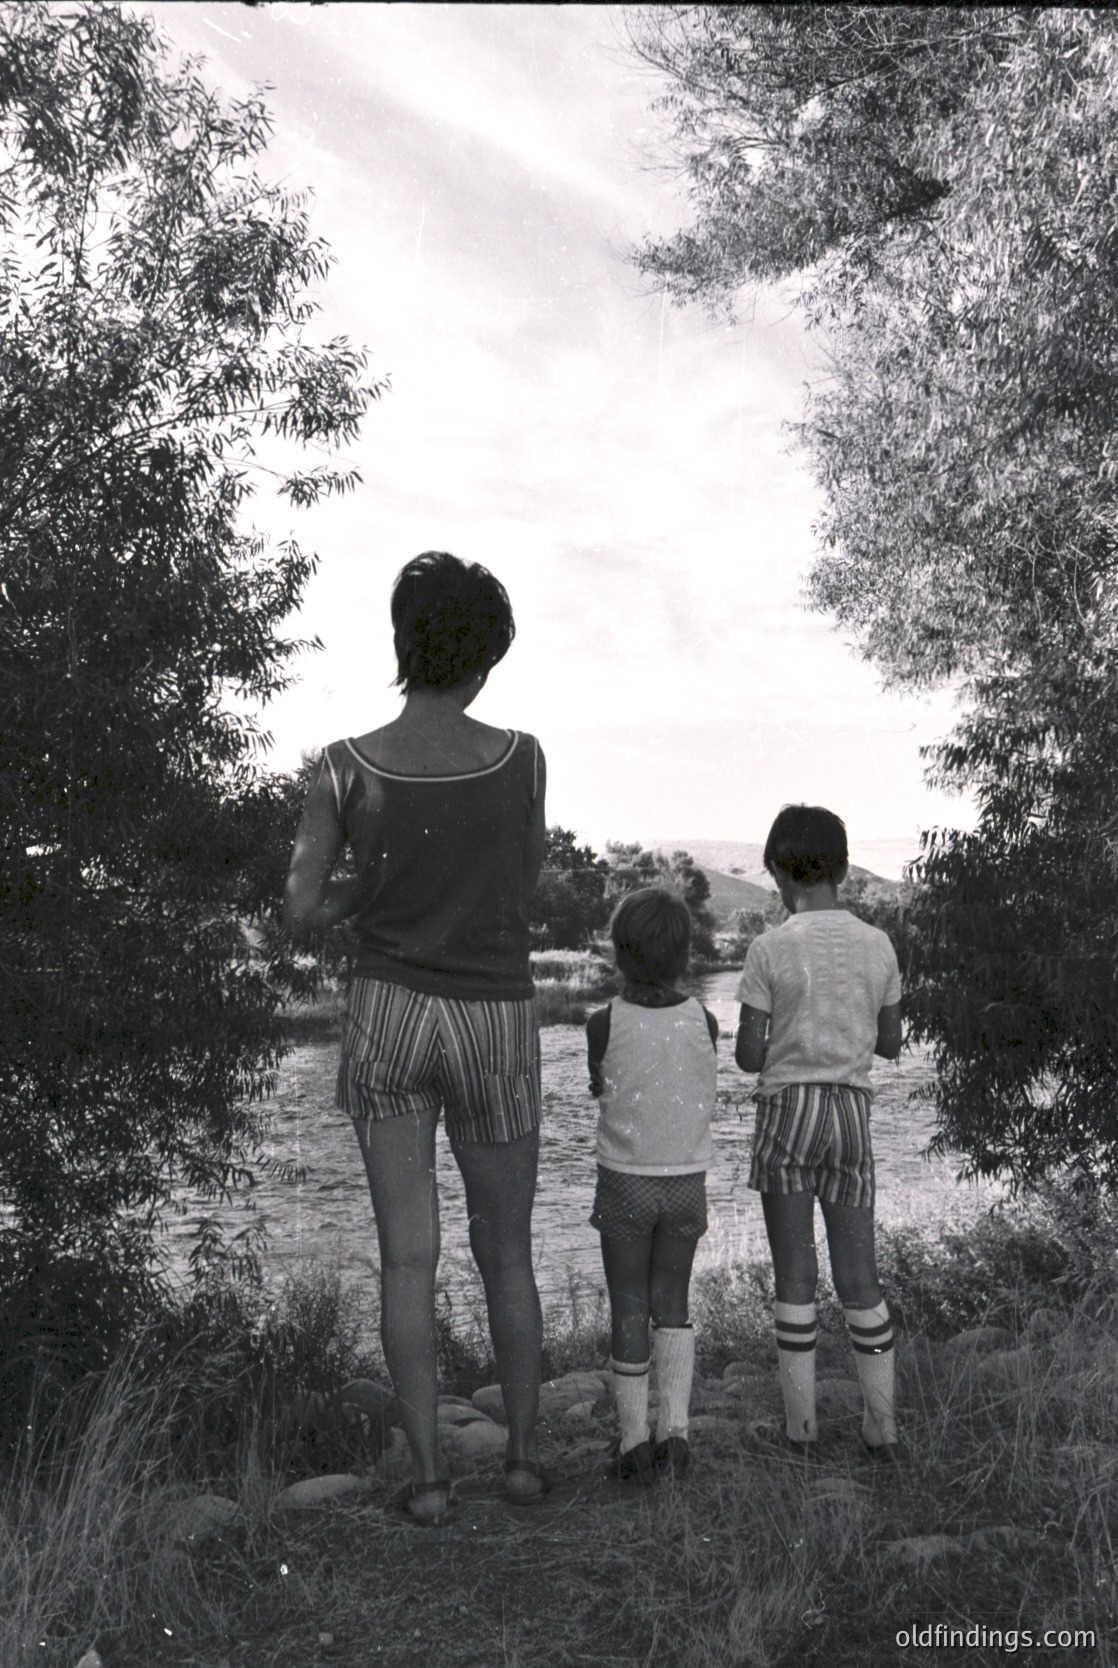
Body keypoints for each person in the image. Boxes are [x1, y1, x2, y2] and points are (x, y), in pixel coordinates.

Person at [283, 551, 548, 1524]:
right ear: (485, 657)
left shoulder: (342, 770)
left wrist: (373, 889)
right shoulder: (521, 758)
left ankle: (431, 1481)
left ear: (402, 645)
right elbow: (518, 889)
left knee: (406, 1259)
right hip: (492, 1015)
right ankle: (520, 1462)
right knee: (508, 1252)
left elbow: (303, 907)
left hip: (387, 1011)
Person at [735, 804, 903, 1463]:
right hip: (852, 1114)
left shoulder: (770, 947)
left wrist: (786, 1035)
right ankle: (882, 1429)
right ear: (841, 866)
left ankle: (801, 1433)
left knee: (795, 1274)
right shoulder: (878, 945)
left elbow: (751, 1057)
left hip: (788, 1113)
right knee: (860, 1276)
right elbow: (890, 1044)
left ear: (779, 870)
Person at [586, 887, 719, 1483]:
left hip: (626, 1183)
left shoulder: (601, 1023)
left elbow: (603, 1084)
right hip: (687, 1182)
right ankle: (678, 1434)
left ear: (619, 953)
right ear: (686, 956)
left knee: (629, 1308)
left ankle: (634, 1442)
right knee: (674, 1307)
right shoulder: (706, 1019)